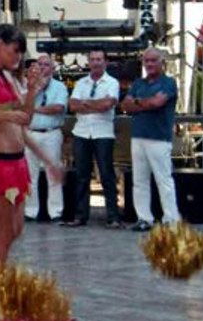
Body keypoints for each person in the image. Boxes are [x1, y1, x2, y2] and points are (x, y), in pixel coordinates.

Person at [0, 25, 63, 320]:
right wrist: (3, 115)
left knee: (15, 229)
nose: (19, 57)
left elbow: (26, 119)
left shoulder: (9, 76)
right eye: (15, 50)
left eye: (21, 52)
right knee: (2, 231)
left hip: (17, 161)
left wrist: (32, 89)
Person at [120, 47, 182, 232]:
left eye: (153, 60)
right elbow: (125, 106)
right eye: (146, 61)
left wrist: (138, 102)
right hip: (138, 136)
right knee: (140, 180)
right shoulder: (139, 83)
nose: (149, 64)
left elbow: (158, 103)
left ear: (162, 62)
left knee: (163, 180)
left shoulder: (169, 82)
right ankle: (144, 218)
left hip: (159, 138)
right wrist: (145, 103)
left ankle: (171, 219)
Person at [66, 49, 121, 228]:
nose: (96, 62)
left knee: (106, 175)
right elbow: (72, 105)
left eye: (99, 59)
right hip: (81, 132)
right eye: (92, 59)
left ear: (105, 62)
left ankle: (113, 216)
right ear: (88, 62)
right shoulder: (81, 82)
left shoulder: (112, 83)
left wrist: (86, 104)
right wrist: (94, 104)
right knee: (81, 175)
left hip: (103, 133)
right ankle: (80, 216)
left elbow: (107, 104)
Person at [23, 53, 68, 223]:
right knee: (30, 175)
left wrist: (35, 109)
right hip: (32, 133)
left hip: (51, 133)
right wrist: (35, 90)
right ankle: (30, 211)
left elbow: (57, 108)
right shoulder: (28, 88)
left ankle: (55, 212)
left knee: (53, 174)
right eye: (39, 65)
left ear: (52, 68)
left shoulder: (59, 87)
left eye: (46, 65)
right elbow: (21, 107)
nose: (42, 68)